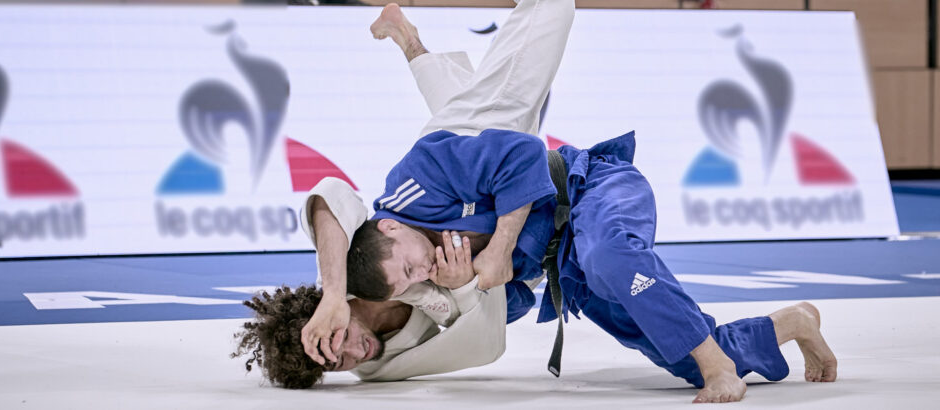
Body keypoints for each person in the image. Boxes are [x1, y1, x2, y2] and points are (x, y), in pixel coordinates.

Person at [246, 1, 838, 403]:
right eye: (338, 363)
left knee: (497, 104)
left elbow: (329, 200)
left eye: (332, 339)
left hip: (586, 191)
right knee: (681, 355)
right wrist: (468, 286)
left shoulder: (388, 216)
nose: (349, 351)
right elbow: (504, 317)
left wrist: (495, 251)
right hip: (561, 267)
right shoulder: (389, 347)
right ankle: (792, 323)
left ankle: (717, 363)